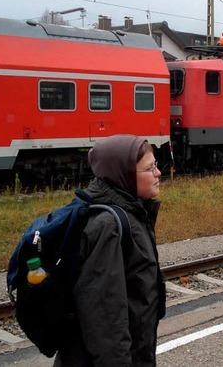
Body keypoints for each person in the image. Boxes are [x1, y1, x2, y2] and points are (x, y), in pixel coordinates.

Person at [54, 135, 166, 367]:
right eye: (149, 168)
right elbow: (105, 319)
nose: (158, 173)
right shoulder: (109, 227)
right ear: (124, 175)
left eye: (156, 165)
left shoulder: (132, 214)